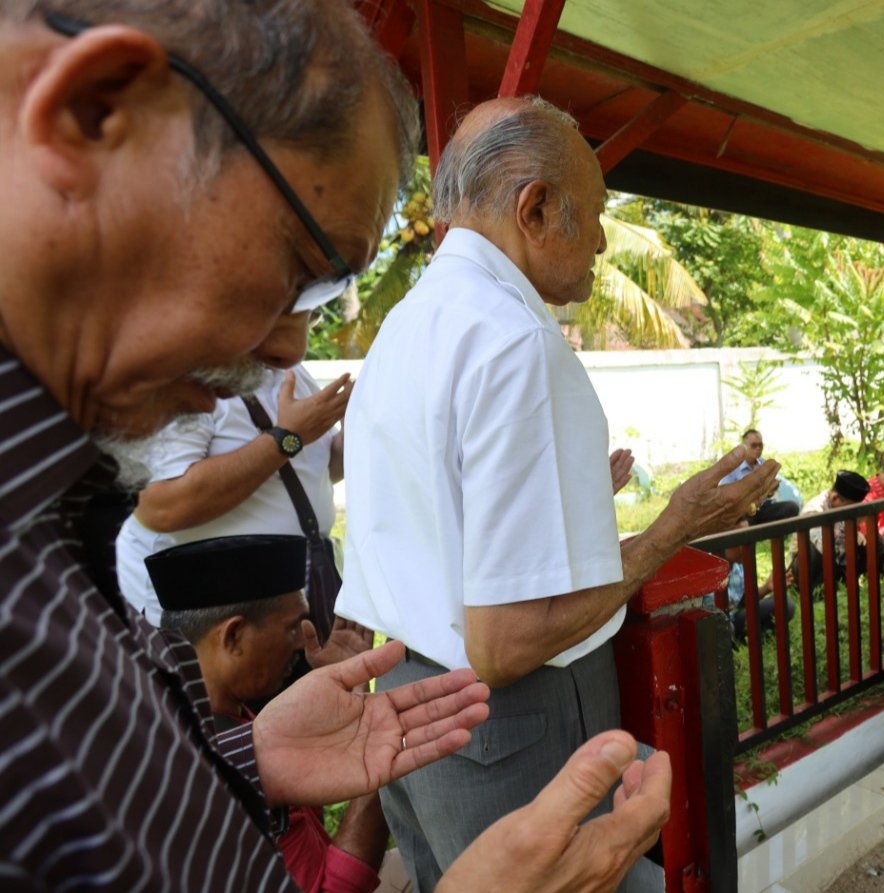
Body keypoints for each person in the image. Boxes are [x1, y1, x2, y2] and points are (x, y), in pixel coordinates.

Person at [0, 3, 667, 890]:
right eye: (304, 264)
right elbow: (507, 635)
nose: (290, 346)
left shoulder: (59, 514)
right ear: (93, 116)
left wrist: (239, 759)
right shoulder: (512, 341)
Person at [335, 95, 779, 892]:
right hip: (508, 721)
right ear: (535, 208)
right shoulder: (516, 343)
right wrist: (677, 524)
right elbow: (503, 645)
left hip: (410, 701)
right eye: (597, 212)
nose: (605, 239)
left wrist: (568, 496)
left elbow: (437, 512)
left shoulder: (408, 323)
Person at [147, 535, 388, 893]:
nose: (300, 640)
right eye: (291, 626)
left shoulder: (168, 707)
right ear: (233, 636)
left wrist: (351, 692)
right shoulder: (223, 760)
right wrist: (382, 764)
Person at [115, 309, 351, 627]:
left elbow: (314, 474)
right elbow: (164, 506)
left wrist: (356, 426)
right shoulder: (190, 374)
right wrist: (286, 438)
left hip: (300, 599)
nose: (299, 343)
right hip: (222, 622)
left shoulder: (292, 372)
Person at [797, 470, 880, 590]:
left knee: (875, 540)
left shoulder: (838, 503)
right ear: (835, 498)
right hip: (809, 563)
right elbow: (822, 546)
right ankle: (817, 591)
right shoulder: (814, 510)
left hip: (837, 558)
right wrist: (851, 533)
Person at [721, 428, 801, 525]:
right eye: (754, 445)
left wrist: (772, 487)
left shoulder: (763, 464)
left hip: (762, 508)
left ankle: (770, 534)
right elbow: (725, 495)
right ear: (743, 447)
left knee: (792, 507)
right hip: (743, 511)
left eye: (760, 445)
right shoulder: (733, 467)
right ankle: (747, 528)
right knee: (740, 518)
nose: (758, 448)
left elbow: (772, 488)